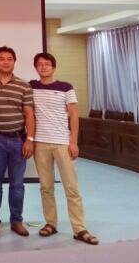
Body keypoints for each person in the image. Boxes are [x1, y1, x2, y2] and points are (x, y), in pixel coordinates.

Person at [30, 52, 99, 245]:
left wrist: (74, 142)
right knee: (46, 187)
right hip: (40, 144)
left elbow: (74, 115)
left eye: (47, 64)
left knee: (71, 188)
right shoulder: (31, 86)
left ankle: (79, 228)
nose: (44, 67)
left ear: (53, 67)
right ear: (35, 68)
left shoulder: (65, 87)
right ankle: (50, 223)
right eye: (40, 64)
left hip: (62, 143)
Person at [0, 46, 35, 237]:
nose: (5, 62)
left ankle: (16, 221)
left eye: (9, 59)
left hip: (18, 140)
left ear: (14, 62)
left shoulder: (24, 85)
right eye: (2, 59)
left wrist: (30, 139)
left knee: (17, 184)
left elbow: (29, 114)